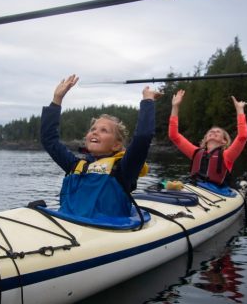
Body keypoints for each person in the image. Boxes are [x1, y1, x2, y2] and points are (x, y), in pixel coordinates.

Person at [41, 74, 161, 219]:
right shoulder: (74, 165)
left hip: (106, 232)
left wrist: (148, 100)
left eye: (104, 130)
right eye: (93, 129)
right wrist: (57, 99)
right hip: (68, 225)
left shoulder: (125, 168)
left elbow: (143, 137)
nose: (95, 132)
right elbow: (49, 139)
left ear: (117, 144)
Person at [168, 89, 247, 187]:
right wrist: (175, 106)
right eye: (211, 131)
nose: (213, 132)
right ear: (205, 139)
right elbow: (174, 136)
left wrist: (240, 110)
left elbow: (243, 137)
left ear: (224, 141)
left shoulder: (227, 155)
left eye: (218, 132)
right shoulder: (195, 152)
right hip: (195, 188)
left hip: (216, 193)